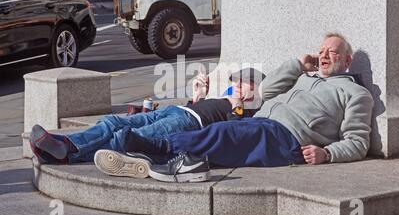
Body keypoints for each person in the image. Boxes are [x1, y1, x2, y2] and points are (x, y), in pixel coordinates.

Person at [97, 33, 374, 183]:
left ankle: (152, 147)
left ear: (347, 60)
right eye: (322, 50)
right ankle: (171, 162)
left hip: (289, 140)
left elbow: (358, 142)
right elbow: (265, 92)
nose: (325, 55)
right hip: (263, 124)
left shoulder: (355, 93)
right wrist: (299, 66)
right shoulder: (303, 78)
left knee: (223, 136)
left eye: (333, 52)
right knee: (221, 133)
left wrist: (327, 153)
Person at [29, 68, 265, 171]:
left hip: (187, 124)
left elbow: (232, 134)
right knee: (113, 122)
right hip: (178, 111)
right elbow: (199, 109)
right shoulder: (226, 100)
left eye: (243, 83)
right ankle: (66, 145)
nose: (236, 85)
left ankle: (65, 154)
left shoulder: (248, 113)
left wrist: (237, 109)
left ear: (255, 90)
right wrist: (198, 97)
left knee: (129, 138)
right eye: (236, 81)